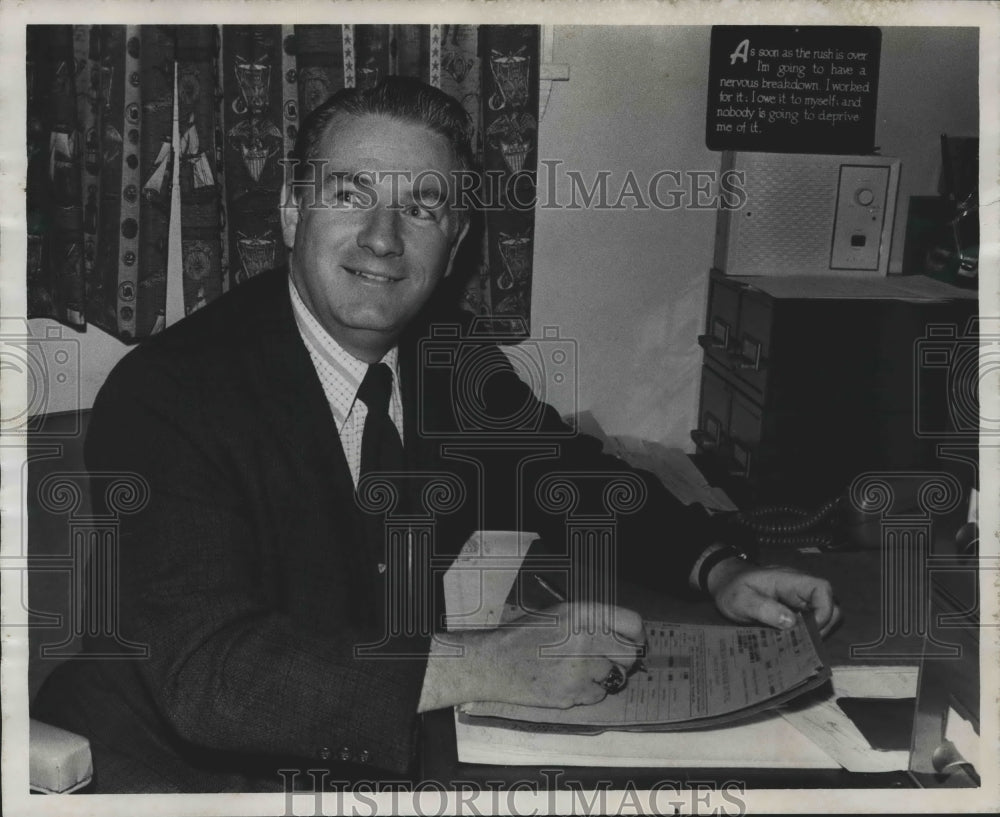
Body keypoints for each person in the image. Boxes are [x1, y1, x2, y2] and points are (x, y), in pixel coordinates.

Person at [33, 77, 839, 792]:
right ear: (290, 210)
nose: (383, 239)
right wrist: (488, 662)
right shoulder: (170, 392)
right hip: (177, 773)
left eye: (421, 206)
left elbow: (570, 475)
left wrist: (721, 566)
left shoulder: (444, 358)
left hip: (369, 754)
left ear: (453, 245)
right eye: (350, 194)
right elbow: (212, 675)